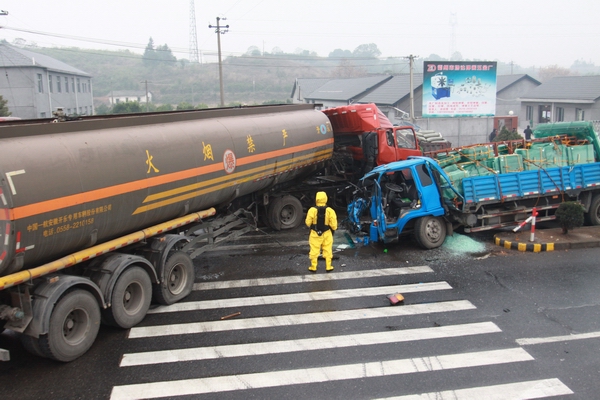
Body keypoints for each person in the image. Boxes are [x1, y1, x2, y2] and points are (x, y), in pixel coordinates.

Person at [305, 191, 338, 272]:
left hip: (315, 233)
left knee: (314, 249)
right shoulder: (330, 210)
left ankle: (313, 267)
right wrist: (332, 229)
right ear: (326, 199)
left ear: (316, 199)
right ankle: (328, 266)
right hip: (327, 233)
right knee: (327, 249)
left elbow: (307, 222)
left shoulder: (312, 210)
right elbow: (334, 225)